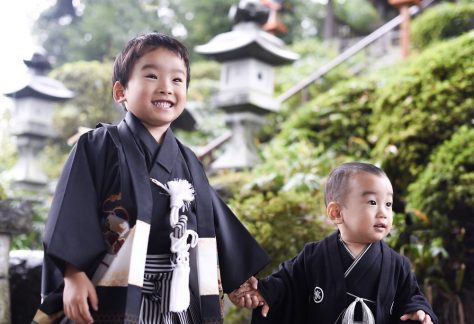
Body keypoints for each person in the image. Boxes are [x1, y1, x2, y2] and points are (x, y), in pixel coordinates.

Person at [33, 32, 269, 324]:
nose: (166, 88)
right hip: (114, 292)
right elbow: (71, 211)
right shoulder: (97, 145)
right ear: (121, 92)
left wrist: (240, 276)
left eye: (177, 80)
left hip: (180, 300)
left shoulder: (188, 161)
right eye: (151, 76)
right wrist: (73, 274)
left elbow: (213, 219)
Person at [238, 162, 438, 324]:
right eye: (372, 202)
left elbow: (412, 297)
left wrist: (419, 311)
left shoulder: (397, 264)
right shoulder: (314, 256)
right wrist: (264, 292)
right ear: (336, 213)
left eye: (388, 204)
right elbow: (286, 283)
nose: (383, 212)